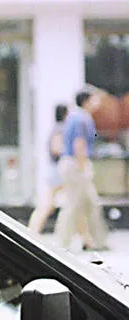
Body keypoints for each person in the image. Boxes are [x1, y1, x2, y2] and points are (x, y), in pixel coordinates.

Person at [54, 90, 109, 252]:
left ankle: (98, 241)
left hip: (73, 164)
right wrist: (83, 167)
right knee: (73, 204)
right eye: (94, 99)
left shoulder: (76, 117)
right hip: (76, 165)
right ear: (86, 101)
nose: (98, 102)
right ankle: (60, 244)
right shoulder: (81, 118)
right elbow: (79, 143)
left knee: (91, 203)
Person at [27, 103, 69, 235]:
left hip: (56, 170)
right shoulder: (60, 129)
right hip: (58, 170)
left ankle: (87, 238)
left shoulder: (57, 128)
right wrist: (69, 152)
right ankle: (32, 231)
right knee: (48, 205)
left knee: (70, 203)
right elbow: (56, 149)